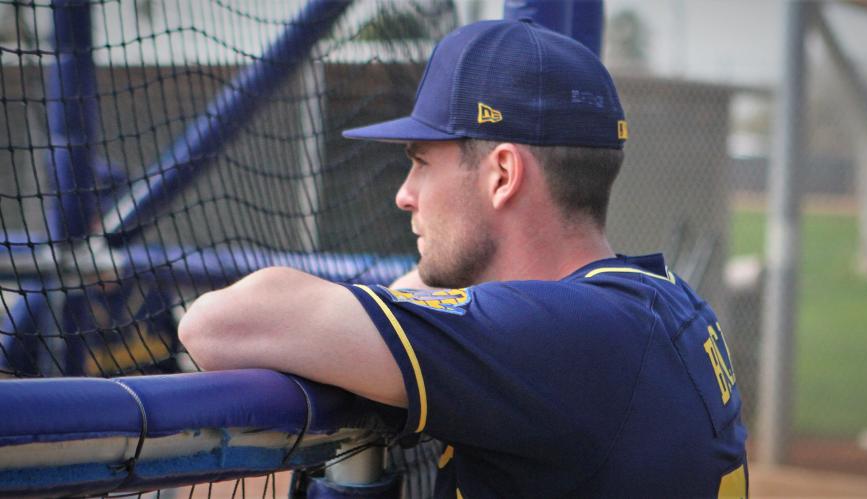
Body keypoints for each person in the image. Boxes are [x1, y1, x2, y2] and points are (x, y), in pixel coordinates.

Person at [178, 19, 748, 498]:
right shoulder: (660, 300)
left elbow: (217, 325)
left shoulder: (560, 339)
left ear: (502, 174)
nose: (404, 193)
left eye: (422, 161)